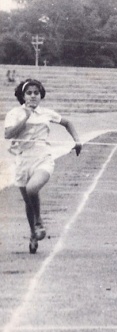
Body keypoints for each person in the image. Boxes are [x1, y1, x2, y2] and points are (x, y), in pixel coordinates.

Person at [4, 79, 82, 254]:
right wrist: (25, 116)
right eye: (29, 93)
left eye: (36, 93)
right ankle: (33, 233)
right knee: (28, 202)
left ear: (41, 95)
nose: (33, 96)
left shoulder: (46, 113)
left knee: (32, 190)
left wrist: (77, 141)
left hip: (43, 157)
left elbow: (67, 123)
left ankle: (39, 221)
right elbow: (8, 134)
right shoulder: (15, 113)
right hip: (22, 160)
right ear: (23, 96)